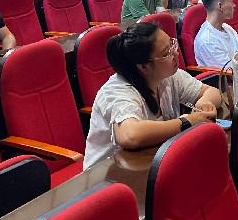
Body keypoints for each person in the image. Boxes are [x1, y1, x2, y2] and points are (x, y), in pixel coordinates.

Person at [83, 22, 221, 168]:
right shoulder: (117, 92)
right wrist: (187, 121)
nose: (176, 53)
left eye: (172, 44)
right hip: (108, 174)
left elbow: (211, 92)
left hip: (151, 161)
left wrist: (204, 102)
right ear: (143, 67)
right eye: (166, 53)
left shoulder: (168, 75)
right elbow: (131, 135)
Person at [194, 0, 238, 69]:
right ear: (220, 6)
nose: (234, 5)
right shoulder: (207, 40)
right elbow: (229, 71)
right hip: (230, 76)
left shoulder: (227, 28)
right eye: (230, 1)